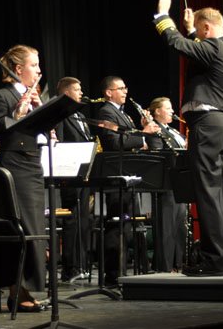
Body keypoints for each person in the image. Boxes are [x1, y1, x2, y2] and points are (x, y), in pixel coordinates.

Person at [153, 0, 223, 276]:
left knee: (208, 194)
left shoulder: (215, 48)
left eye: (200, 32)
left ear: (207, 28)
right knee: (218, 196)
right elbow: (202, 51)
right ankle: (222, 260)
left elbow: (175, 43)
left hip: (208, 127)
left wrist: (162, 13)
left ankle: (215, 261)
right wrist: (193, 30)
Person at [0, 44, 48, 313]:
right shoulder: (1, 95)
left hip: (33, 165)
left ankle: (23, 289)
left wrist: (43, 109)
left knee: (34, 229)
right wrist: (18, 112)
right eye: (34, 65)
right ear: (18, 69)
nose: (38, 70)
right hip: (13, 165)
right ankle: (16, 290)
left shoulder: (35, 95)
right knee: (18, 229)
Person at [96, 76, 160, 285]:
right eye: (120, 88)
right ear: (108, 92)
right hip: (116, 175)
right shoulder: (106, 111)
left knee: (127, 225)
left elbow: (130, 139)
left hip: (128, 175)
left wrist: (142, 131)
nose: (125, 91)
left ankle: (128, 270)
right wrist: (143, 135)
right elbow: (114, 143)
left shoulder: (122, 113)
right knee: (116, 225)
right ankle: (113, 274)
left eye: (125, 87)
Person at [55, 77, 94, 282]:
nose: (81, 93)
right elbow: (59, 143)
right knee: (72, 221)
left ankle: (82, 263)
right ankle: (69, 267)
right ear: (66, 93)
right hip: (69, 173)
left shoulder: (78, 114)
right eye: (77, 90)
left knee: (83, 221)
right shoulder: (61, 115)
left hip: (84, 173)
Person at [144, 97, 187, 273]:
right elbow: (159, 156)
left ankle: (178, 264)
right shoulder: (155, 130)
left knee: (178, 227)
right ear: (157, 112)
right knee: (166, 228)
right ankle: (165, 266)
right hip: (166, 185)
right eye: (167, 108)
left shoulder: (173, 131)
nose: (172, 111)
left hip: (179, 184)